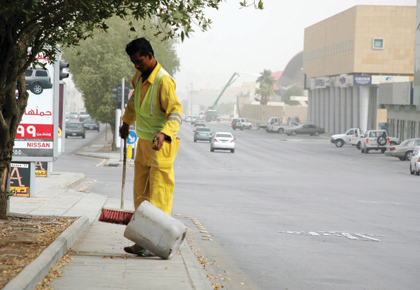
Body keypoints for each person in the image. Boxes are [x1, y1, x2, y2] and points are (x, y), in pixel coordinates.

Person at [119, 37, 182, 255]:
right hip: (144, 145)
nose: (137, 65)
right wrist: (126, 122)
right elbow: (133, 103)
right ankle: (142, 241)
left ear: (150, 56)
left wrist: (165, 133)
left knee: (158, 198)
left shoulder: (164, 81)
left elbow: (175, 112)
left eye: (140, 61)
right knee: (141, 197)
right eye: (133, 62)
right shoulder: (139, 77)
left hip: (160, 147)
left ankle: (156, 243)